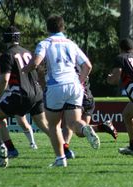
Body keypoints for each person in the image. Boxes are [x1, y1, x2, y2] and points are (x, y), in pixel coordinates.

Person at [23, 15, 100, 167]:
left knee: (54, 125)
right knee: (73, 123)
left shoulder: (45, 43)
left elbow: (36, 62)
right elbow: (88, 66)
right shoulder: (71, 44)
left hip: (56, 85)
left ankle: (60, 159)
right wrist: (80, 82)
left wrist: (24, 70)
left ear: (47, 28)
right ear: (62, 27)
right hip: (74, 86)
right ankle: (84, 128)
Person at [0, 26, 51, 168]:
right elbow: (36, 72)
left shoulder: (7, 54)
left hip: (20, 94)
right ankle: (65, 149)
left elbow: (5, 79)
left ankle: (11, 149)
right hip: (36, 93)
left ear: (6, 38)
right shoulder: (27, 52)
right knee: (45, 125)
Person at [62, 67, 117, 159]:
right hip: (89, 99)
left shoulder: (68, 68)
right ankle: (102, 127)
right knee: (80, 131)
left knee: (70, 123)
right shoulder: (82, 66)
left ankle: (65, 149)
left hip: (77, 99)